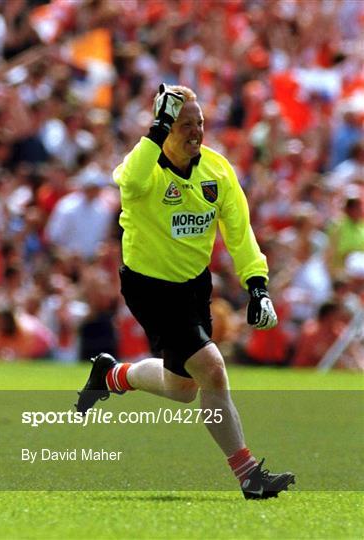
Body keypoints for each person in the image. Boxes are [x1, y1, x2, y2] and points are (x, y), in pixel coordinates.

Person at [76, 84, 295, 499]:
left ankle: (111, 374)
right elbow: (128, 179)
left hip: (194, 286)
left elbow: (239, 232)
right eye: (184, 124)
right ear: (164, 128)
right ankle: (250, 476)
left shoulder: (218, 171)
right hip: (150, 286)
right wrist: (156, 127)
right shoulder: (144, 168)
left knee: (183, 388)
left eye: (200, 124)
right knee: (212, 369)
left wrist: (257, 284)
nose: (196, 132)